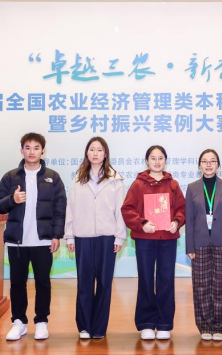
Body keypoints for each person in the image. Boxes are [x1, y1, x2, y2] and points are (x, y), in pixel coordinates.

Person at [0, 132, 66, 341]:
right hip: (17, 241)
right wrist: (12, 199)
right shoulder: (10, 177)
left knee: (43, 282)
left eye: (36, 148)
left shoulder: (53, 177)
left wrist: (56, 235)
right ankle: (19, 322)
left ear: (43, 151)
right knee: (17, 283)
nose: (32, 151)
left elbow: (60, 208)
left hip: (43, 240)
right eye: (27, 147)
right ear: (21, 150)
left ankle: (41, 322)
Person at [64, 136, 127, 340]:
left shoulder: (116, 179)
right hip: (83, 236)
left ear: (105, 153)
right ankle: (84, 326)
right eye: (92, 149)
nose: (95, 153)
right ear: (87, 153)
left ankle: (99, 327)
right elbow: (71, 208)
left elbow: (121, 210)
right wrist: (69, 236)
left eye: (99, 150)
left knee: (105, 283)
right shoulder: (78, 179)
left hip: (108, 237)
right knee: (84, 282)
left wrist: (119, 237)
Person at [121, 145, 186, 341]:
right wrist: (142, 223)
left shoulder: (173, 184)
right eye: (153, 158)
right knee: (146, 280)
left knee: (166, 280)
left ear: (165, 161)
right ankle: (147, 323)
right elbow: (127, 209)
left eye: (160, 158)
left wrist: (177, 222)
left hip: (167, 240)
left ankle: (165, 323)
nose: (157, 161)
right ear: (147, 161)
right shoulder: (138, 185)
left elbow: (182, 208)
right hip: (145, 240)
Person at [186, 149, 222, 342]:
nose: (208, 165)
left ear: (218, 165)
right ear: (199, 165)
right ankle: (205, 326)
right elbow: (189, 219)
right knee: (200, 286)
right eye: (205, 161)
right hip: (199, 243)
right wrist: (189, 247)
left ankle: (221, 327)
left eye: (212, 161)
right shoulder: (192, 188)